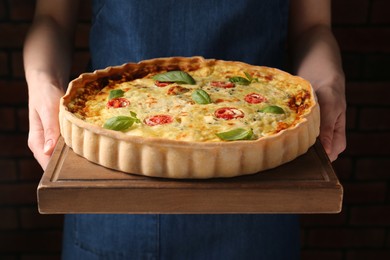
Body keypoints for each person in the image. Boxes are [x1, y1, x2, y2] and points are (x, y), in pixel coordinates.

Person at [24, 0, 346, 259]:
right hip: (113, 205)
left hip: (257, 206)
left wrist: (326, 83)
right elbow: (51, 18)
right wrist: (41, 80)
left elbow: (313, 27)